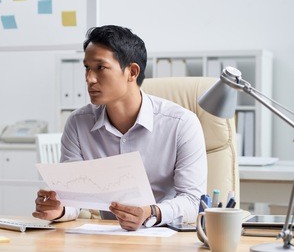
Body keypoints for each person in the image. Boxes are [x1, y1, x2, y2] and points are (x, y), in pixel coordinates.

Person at [33, 25, 207, 231]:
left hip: (167, 236)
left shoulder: (182, 124)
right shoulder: (78, 123)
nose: (89, 78)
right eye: (87, 68)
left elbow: (193, 201)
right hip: (109, 237)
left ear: (132, 72)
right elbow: (73, 198)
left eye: (100, 68)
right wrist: (59, 210)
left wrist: (151, 212)